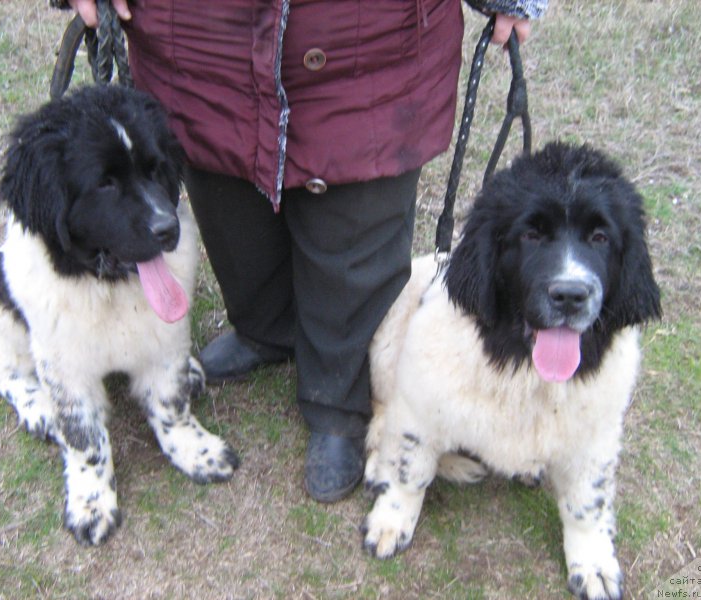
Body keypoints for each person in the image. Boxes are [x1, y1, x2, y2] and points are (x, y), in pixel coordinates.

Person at [51, 0, 548, 503]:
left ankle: (338, 398)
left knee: (356, 229)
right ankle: (265, 331)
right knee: (227, 195)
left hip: (367, 47)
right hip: (197, 41)